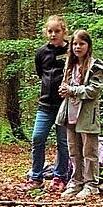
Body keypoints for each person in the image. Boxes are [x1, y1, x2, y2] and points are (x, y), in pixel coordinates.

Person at [55, 29, 103, 200]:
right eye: (75, 43)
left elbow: (94, 90)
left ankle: (91, 184)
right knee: (74, 149)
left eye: (81, 43)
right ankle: (76, 181)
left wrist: (72, 90)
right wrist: (65, 90)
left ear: (88, 45)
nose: (77, 47)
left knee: (89, 150)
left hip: (87, 114)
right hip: (70, 112)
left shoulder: (96, 66)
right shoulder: (69, 65)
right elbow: (67, 85)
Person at [26, 15, 70, 191]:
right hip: (45, 104)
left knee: (63, 142)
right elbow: (41, 73)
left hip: (65, 105)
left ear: (63, 31)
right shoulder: (42, 52)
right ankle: (36, 177)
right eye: (50, 31)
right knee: (38, 138)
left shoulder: (71, 51)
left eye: (57, 31)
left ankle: (60, 176)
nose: (53, 34)